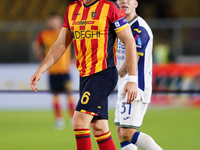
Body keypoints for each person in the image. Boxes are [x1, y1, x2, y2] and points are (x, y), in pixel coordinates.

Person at [30, 0, 138, 149]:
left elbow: (129, 41)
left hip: (103, 74)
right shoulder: (72, 9)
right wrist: (41, 69)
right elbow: (61, 44)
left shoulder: (109, 7)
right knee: (99, 128)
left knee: (79, 122)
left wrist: (132, 79)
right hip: (85, 77)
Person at [114, 0, 163, 149]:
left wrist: (115, 75)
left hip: (136, 86)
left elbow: (134, 57)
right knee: (121, 132)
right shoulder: (119, 25)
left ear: (135, 4)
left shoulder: (139, 27)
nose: (124, 2)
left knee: (128, 132)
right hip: (125, 85)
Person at [32, 12, 75, 129]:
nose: (53, 22)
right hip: (52, 70)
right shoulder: (44, 34)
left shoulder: (66, 32)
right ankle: (59, 120)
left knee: (69, 93)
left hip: (65, 70)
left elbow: (77, 44)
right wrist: (42, 59)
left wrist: (73, 59)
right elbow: (36, 45)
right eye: (51, 20)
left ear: (59, 20)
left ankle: (72, 118)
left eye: (54, 20)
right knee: (55, 94)